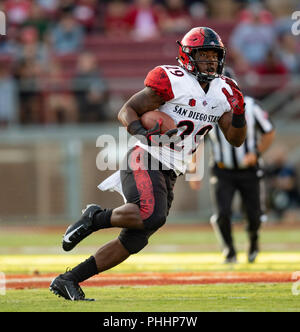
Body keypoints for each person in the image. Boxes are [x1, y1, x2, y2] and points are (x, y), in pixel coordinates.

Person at [49, 27, 247, 301]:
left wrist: (239, 113)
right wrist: (144, 134)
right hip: (146, 154)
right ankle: (95, 217)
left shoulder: (224, 91)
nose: (211, 61)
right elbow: (126, 111)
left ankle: (68, 279)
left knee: (134, 240)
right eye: (204, 55)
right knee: (150, 214)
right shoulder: (173, 80)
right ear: (189, 56)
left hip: (172, 167)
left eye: (215, 55)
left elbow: (236, 140)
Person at [189, 67, 275, 264]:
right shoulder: (207, 109)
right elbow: (198, 140)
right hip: (222, 170)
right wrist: (194, 169)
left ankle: (253, 243)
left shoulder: (251, 106)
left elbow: (269, 132)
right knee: (222, 214)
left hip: (249, 171)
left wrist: (256, 153)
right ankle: (229, 251)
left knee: (253, 216)